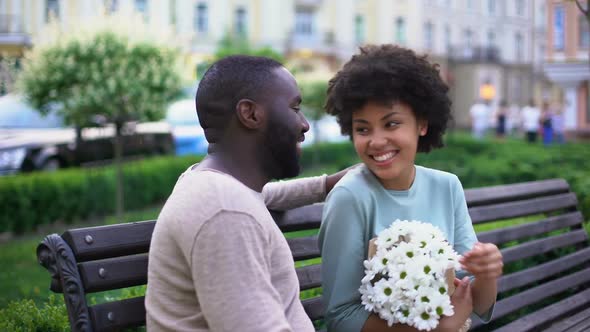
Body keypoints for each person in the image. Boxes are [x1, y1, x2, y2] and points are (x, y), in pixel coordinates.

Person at [146, 55, 350, 331]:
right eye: (295, 107)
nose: (304, 124)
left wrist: (328, 184)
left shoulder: (217, 187)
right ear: (250, 114)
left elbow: (266, 196)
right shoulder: (225, 210)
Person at [319, 45, 503, 332]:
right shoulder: (349, 198)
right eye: (363, 129)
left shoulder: (447, 186)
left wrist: (488, 274)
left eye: (391, 124)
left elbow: (474, 302)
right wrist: (434, 330)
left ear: (422, 123)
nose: (376, 141)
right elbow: (341, 316)